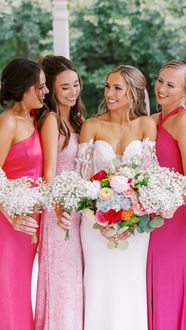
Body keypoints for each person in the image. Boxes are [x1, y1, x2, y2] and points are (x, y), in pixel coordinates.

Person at [77, 64, 157, 330]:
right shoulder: (91, 125)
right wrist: (97, 214)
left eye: (117, 88)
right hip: (94, 224)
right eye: (107, 86)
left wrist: (131, 219)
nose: (109, 93)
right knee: (98, 283)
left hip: (135, 226)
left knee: (131, 284)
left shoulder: (146, 124)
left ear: (133, 93)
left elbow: (149, 177)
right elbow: (81, 178)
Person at [147, 59, 186, 330]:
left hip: (175, 214)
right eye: (160, 81)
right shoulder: (152, 119)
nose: (162, 88)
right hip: (150, 213)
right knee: (150, 282)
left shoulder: (185, 122)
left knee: (168, 282)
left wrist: (164, 201)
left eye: (171, 85)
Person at [35, 55, 85, 330]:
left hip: (78, 211)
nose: (72, 92)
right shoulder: (52, 120)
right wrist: (58, 206)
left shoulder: (77, 121)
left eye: (75, 84)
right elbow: (49, 173)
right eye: (64, 87)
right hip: (59, 214)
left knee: (75, 280)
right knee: (61, 281)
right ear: (51, 90)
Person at [0, 58, 48, 330]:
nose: (45, 91)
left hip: (31, 223)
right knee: (8, 294)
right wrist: (12, 217)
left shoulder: (33, 117)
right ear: (22, 88)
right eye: (39, 86)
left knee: (21, 291)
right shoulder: (7, 123)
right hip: (8, 225)